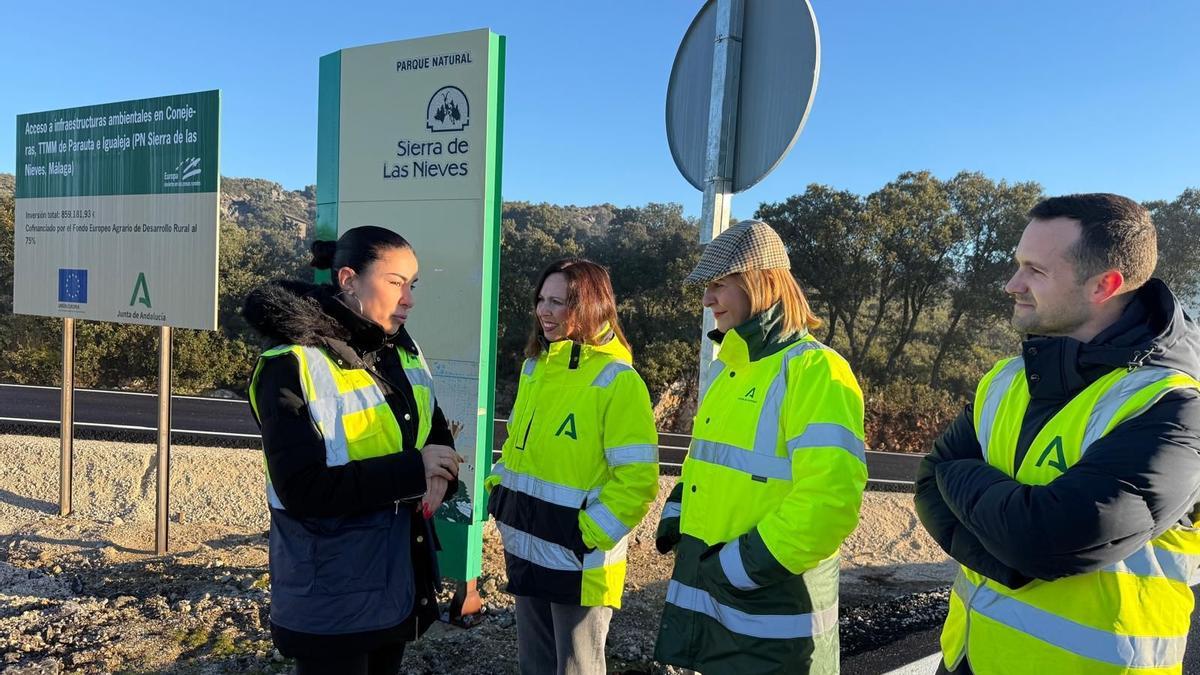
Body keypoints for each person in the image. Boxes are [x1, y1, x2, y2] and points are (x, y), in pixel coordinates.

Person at [914, 194, 1200, 675]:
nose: (1012, 284)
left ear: (1104, 285)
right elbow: (928, 484)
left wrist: (962, 476)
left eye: (1035, 271)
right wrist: (1009, 560)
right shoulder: (1009, 378)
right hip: (970, 658)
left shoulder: (1175, 406)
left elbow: (1049, 538)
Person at [243, 225, 463, 675]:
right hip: (331, 591)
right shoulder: (291, 363)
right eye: (395, 282)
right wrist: (414, 471)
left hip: (397, 577)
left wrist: (440, 472)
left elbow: (430, 423)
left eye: (412, 284)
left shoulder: (400, 350)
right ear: (347, 279)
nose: (409, 299)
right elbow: (303, 489)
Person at [653, 220, 869, 674]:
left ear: (760, 282)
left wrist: (736, 569)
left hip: (771, 621)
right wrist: (677, 514)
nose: (708, 299)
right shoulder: (732, 369)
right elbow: (707, 465)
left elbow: (827, 504)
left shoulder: (816, 372)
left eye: (718, 285)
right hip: (720, 610)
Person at [485, 258, 660, 675]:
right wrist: (499, 493)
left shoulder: (618, 381)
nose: (545, 311)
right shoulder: (534, 368)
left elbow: (637, 481)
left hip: (579, 563)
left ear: (591, 307)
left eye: (559, 301)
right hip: (526, 546)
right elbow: (516, 448)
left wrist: (585, 535)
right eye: (541, 300)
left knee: (576, 669)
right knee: (535, 665)